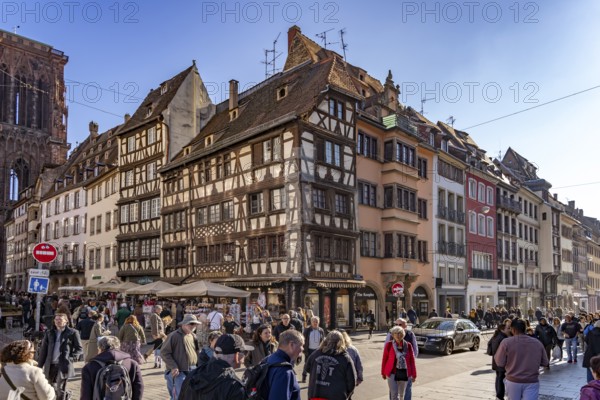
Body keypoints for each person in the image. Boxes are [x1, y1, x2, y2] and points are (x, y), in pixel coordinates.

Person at [178, 334, 252, 400]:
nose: (244, 358)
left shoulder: (192, 375)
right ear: (237, 355)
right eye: (244, 353)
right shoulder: (234, 386)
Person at [494, 318, 548, 399]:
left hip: (513, 381)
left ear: (513, 330)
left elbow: (499, 362)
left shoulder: (506, 343)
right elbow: (545, 362)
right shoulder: (537, 343)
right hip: (532, 380)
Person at [80, 335, 143, 400]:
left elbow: (86, 394)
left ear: (100, 348)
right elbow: (139, 387)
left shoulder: (89, 367)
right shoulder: (132, 364)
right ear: (118, 346)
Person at [37, 313, 83, 400]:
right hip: (50, 365)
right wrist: (39, 366)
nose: (58, 321)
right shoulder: (49, 333)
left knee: (60, 388)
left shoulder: (72, 332)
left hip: (63, 365)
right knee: (49, 386)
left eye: (60, 320)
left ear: (66, 321)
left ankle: (62, 397)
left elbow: (79, 349)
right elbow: (44, 350)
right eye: (56, 320)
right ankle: (64, 396)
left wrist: (71, 358)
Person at [304, 330, 356, 400]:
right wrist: (347, 394)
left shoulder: (316, 354)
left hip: (315, 394)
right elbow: (351, 382)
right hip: (336, 396)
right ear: (341, 342)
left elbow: (307, 368)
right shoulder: (345, 358)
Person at [160, 314, 202, 400]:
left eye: (195, 324)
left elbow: (197, 352)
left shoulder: (193, 336)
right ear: (184, 324)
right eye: (191, 324)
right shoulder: (174, 335)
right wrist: (173, 366)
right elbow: (164, 352)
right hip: (179, 372)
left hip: (192, 370)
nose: (193, 326)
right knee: (178, 397)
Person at [260, 329, 304, 400]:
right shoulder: (284, 371)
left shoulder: (269, 358)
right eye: (301, 345)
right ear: (291, 345)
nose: (302, 349)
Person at [381, 326, 417, 400]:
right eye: (395, 333)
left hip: (404, 372)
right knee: (394, 394)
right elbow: (384, 359)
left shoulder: (408, 345)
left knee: (402, 395)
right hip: (392, 373)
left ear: (403, 334)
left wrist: (414, 375)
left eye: (400, 333)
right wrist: (383, 373)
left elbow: (412, 361)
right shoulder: (389, 345)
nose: (398, 335)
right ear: (393, 335)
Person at [490, 319, 511, 400]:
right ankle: (499, 395)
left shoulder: (496, 336)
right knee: (500, 378)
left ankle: (498, 395)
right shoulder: (503, 338)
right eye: (507, 328)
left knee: (498, 377)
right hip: (500, 361)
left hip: (496, 361)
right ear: (502, 329)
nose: (509, 330)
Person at [301, 316, 325, 383]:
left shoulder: (321, 330)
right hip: (309, 350)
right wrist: (303, 349)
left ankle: (314, 378)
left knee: (317, 364)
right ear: (311, 322)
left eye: (316, 321)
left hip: (318, 350)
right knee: (307, 364)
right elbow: (303, 339)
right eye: (314, 321)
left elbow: (323, 340)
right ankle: (304, 377)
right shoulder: (307, 330)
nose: (315, 323)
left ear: (319, 322)